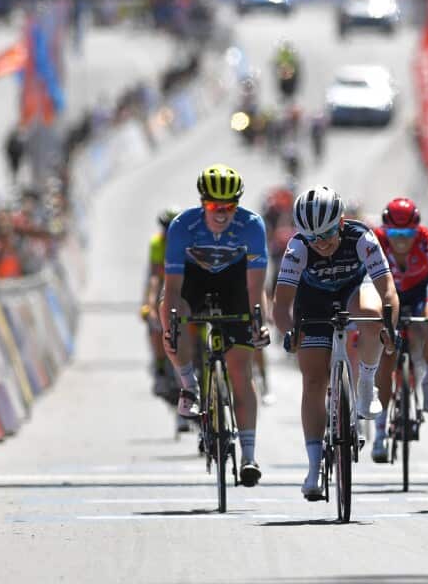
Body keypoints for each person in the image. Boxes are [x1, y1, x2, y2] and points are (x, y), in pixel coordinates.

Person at [271, 186, 400, 500]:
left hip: (355, 291)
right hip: (312, 302)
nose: (322, 243)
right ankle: (314, 467)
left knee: (372, 314)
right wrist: (289, 333)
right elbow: (280, 305)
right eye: (313, 236)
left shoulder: (363, 239)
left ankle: (366, 384)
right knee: (313, 379)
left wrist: (389, 329)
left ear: (341, 222)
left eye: (327, 233)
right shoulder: (297, 248)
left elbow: (388, 292)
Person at [159, 165, 271, 487]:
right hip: (194, 282)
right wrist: (173, 324)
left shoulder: (252, 226)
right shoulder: (183, 226)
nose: (221, 213)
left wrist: (256, 321)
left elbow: (255, 286)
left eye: (228, 207)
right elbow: (174, 286)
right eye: (213, 206)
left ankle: (249, 455)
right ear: (202, 202)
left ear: (237, 204)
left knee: (240, 371)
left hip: (236, 285)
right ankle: (189, 385)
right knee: (169, 313)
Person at [370, 197, 428, 463]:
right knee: (386, 354)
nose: (401, 240)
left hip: (419, 291)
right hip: (388, 294)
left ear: (417, 229)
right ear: (386, 230)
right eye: (395, 234)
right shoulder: (375, 240)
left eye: (407, 234)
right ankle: (379, 432)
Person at [142, 206, 186, 430]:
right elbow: (153, 279)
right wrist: (149, 306)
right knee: (156, 323)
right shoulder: (157, 244)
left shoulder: (190, 239)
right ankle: (160, 368)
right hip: (165, 288)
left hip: (187, 290)